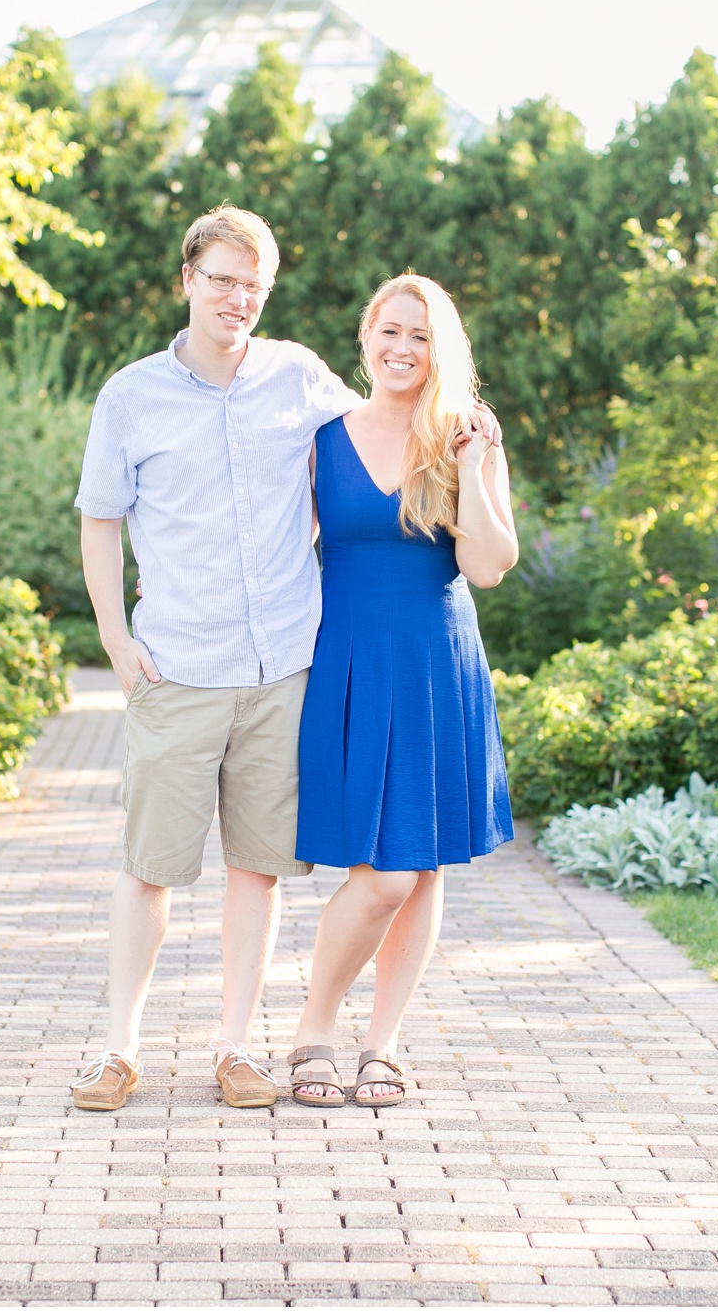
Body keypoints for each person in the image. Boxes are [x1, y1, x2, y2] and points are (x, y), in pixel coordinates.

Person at [70, 205, 362, 1111]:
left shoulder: (299, 376)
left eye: (254, 283)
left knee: (257, 868)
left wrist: (467, 426)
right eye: (223, 278)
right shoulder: (130, 395)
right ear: (187, 278)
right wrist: (117, 640)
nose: (238, 297)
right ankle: (118, 1050)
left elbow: (375, 442)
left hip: (281, 667)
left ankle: (237, 1047)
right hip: (178, 667)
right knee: (151, 867)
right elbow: (99, 519)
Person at [285, 273, 519, 1107]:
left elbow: (488, 565)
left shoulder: (460, 438)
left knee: (419, 868)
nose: (400, 348)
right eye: (389, 331)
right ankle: (314, 1027)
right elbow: (277, 553)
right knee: (381, 871)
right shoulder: (324, 437)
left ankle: (380, 1042)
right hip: (348, 659)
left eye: (419, 336)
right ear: (365, 337)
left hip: (435, 662)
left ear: (439, 349)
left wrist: (477, 461)